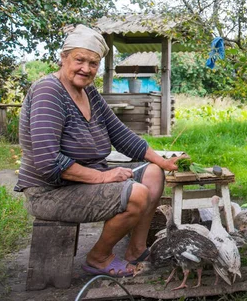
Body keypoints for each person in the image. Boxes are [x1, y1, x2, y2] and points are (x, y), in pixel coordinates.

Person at [14, 24, 180, 277]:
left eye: (93, 63)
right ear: (63, 58)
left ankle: (136, 249)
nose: (86, 68)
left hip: (85, 181)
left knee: (154, 173)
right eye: (79, 60)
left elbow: (120, 134)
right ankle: (98, 258)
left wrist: (164, 161)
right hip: (50, 191)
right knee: (135, 194)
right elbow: (48, 161)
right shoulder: (49, 91)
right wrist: (103, 177)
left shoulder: (88, 91)